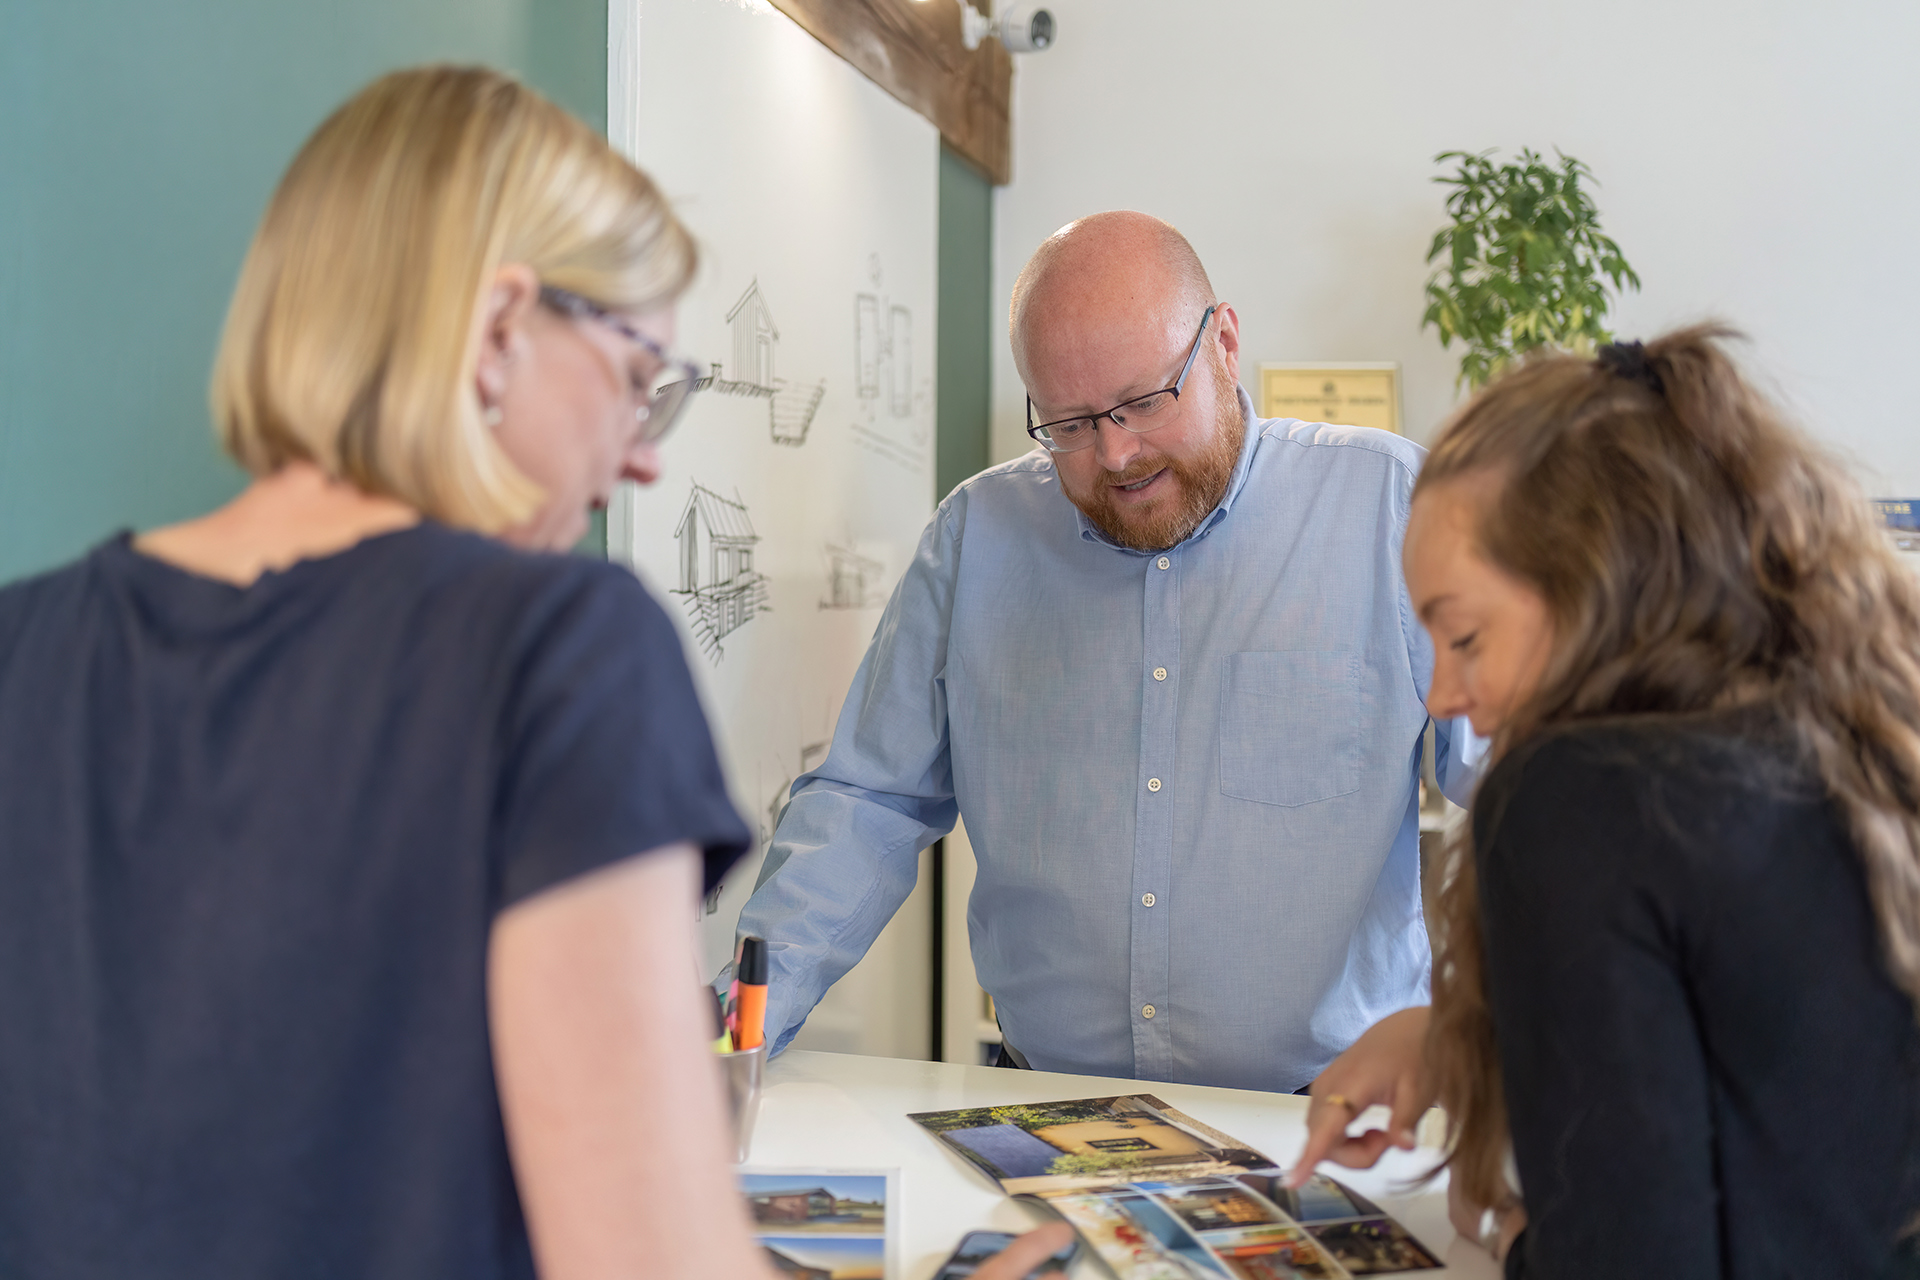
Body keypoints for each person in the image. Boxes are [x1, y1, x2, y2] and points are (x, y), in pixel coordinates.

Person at [0, 66, 1070, 1280]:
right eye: (637, 378)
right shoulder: (559, 649)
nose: (643, 458)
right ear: (504, 328)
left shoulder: (26, 645)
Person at [734, 211, 1476, 1091]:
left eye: (1144, 403)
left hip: (1330, 1115)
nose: (1117, 454)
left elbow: (1527, 790)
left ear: (1224, 345)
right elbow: (869, 800)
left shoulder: (1392, 508)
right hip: (1048, 1104)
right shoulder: (978, 535)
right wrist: (738, 1027)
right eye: (1071, 424)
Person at [1289, 327, 1920, 1277]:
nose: (1441, 696)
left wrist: (1505, 1233)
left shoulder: (1574, 798)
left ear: (1597, 585)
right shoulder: (1851, 736)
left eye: (1464, 638)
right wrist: (1464, 1040)